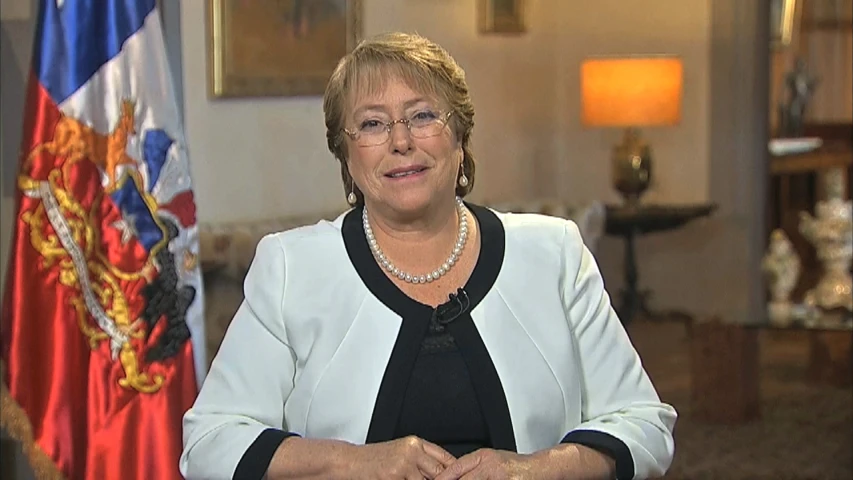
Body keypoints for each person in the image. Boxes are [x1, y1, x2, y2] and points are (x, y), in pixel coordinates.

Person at [180, 32, 676, 480]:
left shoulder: (555, 254)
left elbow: (645, 424)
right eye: (372, 124)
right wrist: (355, 463)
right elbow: (210, 442)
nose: (401, 142)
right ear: (346, 156)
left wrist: (538, 470)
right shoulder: (292, 268)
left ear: (459, 137)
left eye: (422, 116)